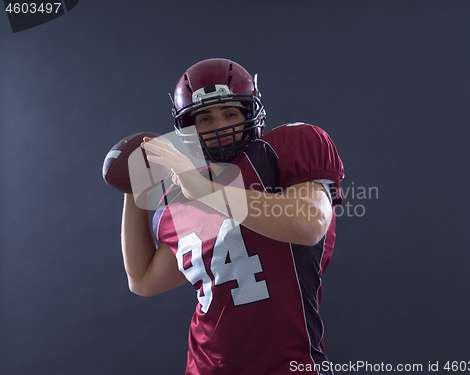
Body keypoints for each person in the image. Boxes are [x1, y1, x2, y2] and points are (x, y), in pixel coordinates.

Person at [121, 58, 344, 375]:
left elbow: (308, 224)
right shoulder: (182, 193)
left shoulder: (285, 148)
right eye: (205, 118)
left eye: (230, 113)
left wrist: (203, 188)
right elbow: (143, 280)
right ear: (186, 128)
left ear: (250, 112)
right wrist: (131, 187)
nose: (220, 127)